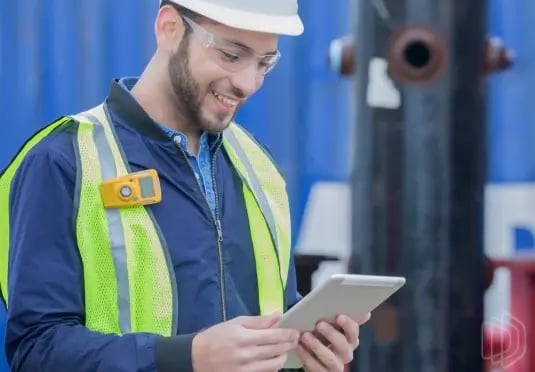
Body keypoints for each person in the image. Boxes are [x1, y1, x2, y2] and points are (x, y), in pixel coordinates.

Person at [0, 0, 370, 371]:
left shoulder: (259, 167)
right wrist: (187, 358)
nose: (247, 83)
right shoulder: (63, 161)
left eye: (264, 63)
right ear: (170, 28)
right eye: (231, 54)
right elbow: (36, 350)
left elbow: (270, 320)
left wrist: (309, 352)